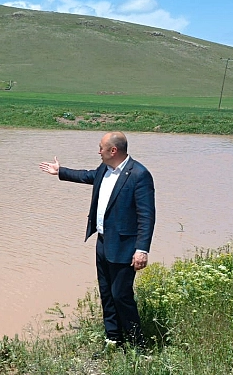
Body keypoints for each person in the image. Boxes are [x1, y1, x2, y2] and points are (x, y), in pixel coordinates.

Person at [39, 131, 155, 350]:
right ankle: (113, 338)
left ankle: (138, 344)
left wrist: (142, 249)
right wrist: (60, 171)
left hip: (125, 247)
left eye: (101, 147)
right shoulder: (104, 169)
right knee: (106, 294)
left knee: (121, 295)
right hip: (103, 242)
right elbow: (87, 176)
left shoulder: (139, 175)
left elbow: (147, 216)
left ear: (113, 150)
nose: (98, 151)